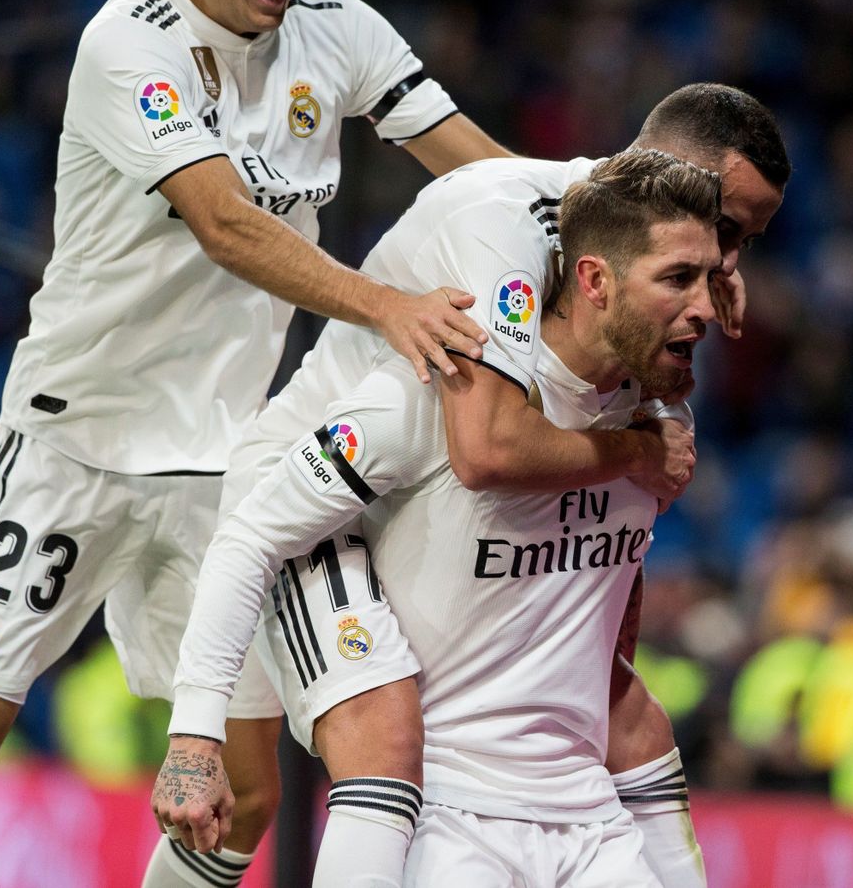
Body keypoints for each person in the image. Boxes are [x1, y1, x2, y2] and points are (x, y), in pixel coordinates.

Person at [0, 0, 516, 887]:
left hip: (223, 470)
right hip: (73, 445)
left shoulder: (336, 25)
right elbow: (227, 223)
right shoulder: (129, 41)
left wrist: (607, 219)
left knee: (246, 796)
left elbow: (483, 174)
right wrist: (386, 305)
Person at [156, 83, 789, 888]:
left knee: (627, 713)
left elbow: (605, 547)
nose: (729, 273)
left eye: (738, 247)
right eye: (723, 234)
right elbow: (485, 448)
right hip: (321, 491)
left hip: (436, 484)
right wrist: (636, 451)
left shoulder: (621, 303)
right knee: (379, 736)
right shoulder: (506, 232)